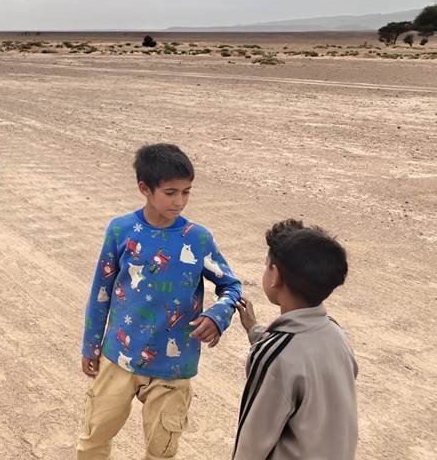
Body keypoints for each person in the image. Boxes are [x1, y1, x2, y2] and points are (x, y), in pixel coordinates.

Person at [76, 143, 242, 460]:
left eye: (186, 192)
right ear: (145, 189)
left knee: (161, 451)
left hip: (172, 368)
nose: (179, 201)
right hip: (120, 357)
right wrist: (91, 346)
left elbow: (231, 285)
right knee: (93, 439)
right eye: (170, 192)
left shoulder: (198, 238)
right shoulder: (121, 230)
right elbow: (101, 293)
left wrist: (218, 315)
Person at [233, 220, 357, 460]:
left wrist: (264, 344)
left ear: (275, 276)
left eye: (267, 265)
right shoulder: (335, 335)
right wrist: (254, 329)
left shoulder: (274, 356)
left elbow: (252, 442)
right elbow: (300, 357)